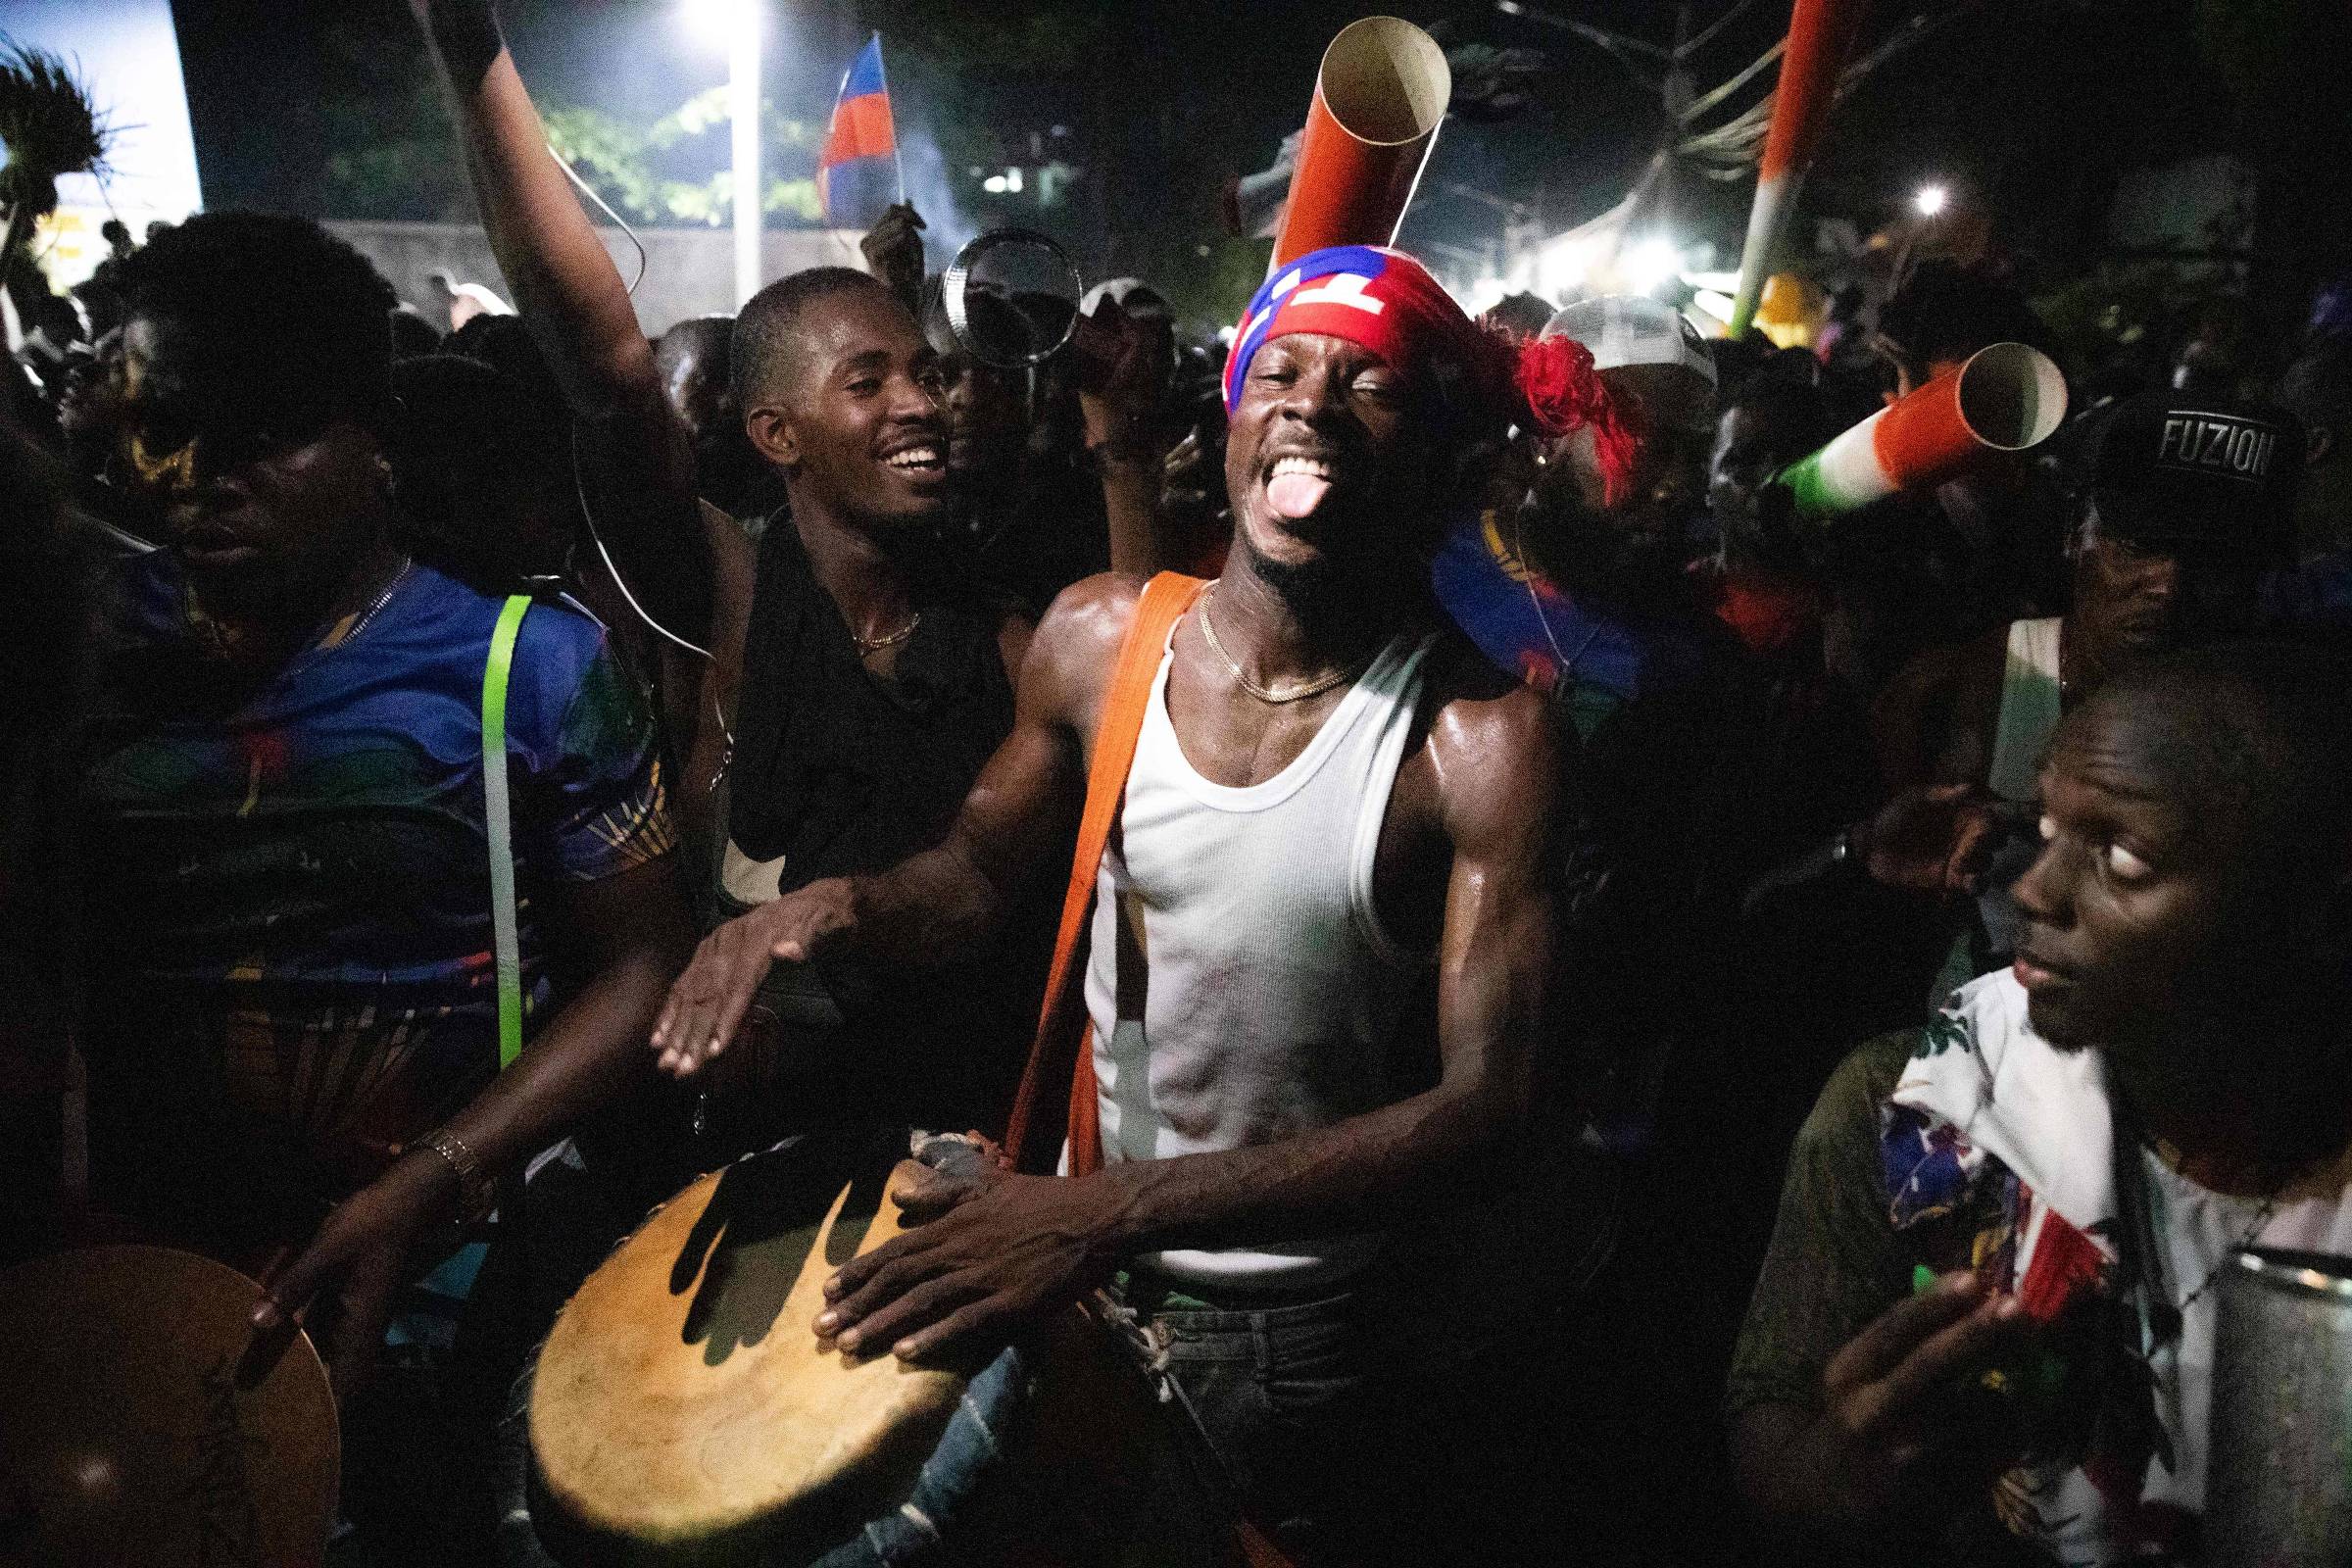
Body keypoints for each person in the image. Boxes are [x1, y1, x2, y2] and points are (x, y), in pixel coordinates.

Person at [654, 243, 1561, 1565]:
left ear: (1430, 455)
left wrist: (1102, 1211)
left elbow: (1490, 1108)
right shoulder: (1102, 638)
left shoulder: (1479, 740)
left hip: (1289, 1335)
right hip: (1071, 1265)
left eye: (1368, 389)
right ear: (1236, 420)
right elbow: (974, 876)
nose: (1312, 404)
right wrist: (833, 909)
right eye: (1283, 375)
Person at [72, 211, 692, 1545]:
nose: (202, 475)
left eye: (265, 434)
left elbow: (646, 964)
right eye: (168, 426)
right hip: (137, 1288)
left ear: (377, 436)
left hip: (455, 1298)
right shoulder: (73, 653)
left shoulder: (527, 667)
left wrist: (438, 1172)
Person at [414, 0, 1045, 1138]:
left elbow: (988, 887)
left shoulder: (1009, 643)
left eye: (925, 374)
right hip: (743, 1160)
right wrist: (474, 59)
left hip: (958, 1159)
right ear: (774, 433)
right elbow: (610, 369)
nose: (920, 403)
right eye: (868, 383)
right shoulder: (729, 596)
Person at [1727, 639, 2352, 1565]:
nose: (2034, 888)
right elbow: (1770, 1432)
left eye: (2124, 857)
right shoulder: (1922, 1110)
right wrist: (1836, 1478)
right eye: (2050, 828)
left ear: (2320, 916)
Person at [1851, 390, 2301, 997]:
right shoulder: (1958, 691)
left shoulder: (2288, 734)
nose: (2169, 584)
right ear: (2075, 535)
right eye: (2138, 546)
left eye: (2218, 559)